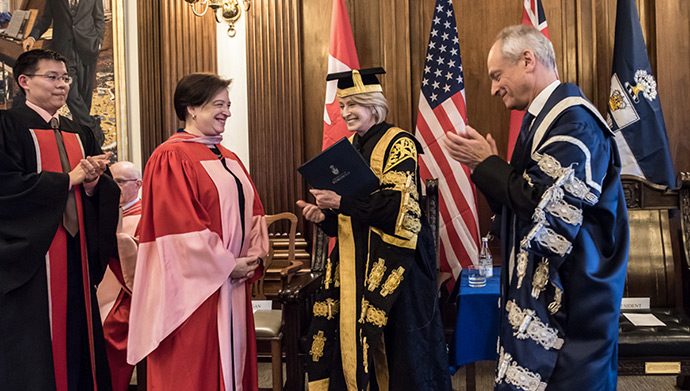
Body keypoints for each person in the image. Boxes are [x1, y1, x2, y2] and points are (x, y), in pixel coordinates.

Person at [443, 25, 629, 390]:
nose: (494, 88)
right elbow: (522, 207)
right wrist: (487, 170)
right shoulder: (544, 121)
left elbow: (549, 210)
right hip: (549, 300)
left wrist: (488, 165)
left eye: (497, 75)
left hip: (573, 309)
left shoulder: (575, 121)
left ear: (528, 60)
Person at [297, 68, 451, 391]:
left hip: (397, 264)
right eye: (342, 106)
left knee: (398, 352)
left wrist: (342, 202)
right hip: (354, 264)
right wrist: (322, 217)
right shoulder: (348, 148)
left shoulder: (400, 144)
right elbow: (349, 218)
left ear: (373, 105)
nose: (345, 112)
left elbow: (397, 209)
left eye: (353, 104)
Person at [127, 73, 269, 390]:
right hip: (195, 291)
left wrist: (256, 257)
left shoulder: (229, 158)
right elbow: (178, 227)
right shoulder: (171, 156)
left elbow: (255, 212)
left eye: (228, 105)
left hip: (233, 284)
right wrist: (226, 264)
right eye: (219, 104)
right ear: (192, 107)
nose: (227, 112)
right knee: (195, 368)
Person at [0, 49, 119, 391]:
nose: (62, 85)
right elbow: (6, 187)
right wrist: (67, 179)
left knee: (78, 334)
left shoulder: (80, 131)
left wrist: (96, 181)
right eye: (52, 77)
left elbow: (100, 189)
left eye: (65, 78)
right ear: (24, 81)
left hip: (77, 250)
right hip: (33, 255)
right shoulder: (7, 127)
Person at [22, 0, 105, 144]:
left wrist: (98, 42)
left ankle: (83, 137)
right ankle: (92, 129)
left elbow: (99, 18)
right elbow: (45, 19)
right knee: (71, 95)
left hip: (88, 48)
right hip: (64, 50)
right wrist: (32, 36)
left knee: (85, 97)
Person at [96, 161, 142, 391]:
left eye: (120, 182)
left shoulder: (147, 216)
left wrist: (121, 243)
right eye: (110, 182)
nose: (114, 188)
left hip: (130, 295)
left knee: (108, 332)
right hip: (100, 288)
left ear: (139, 184)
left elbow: (144, 267)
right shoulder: (104, 213)